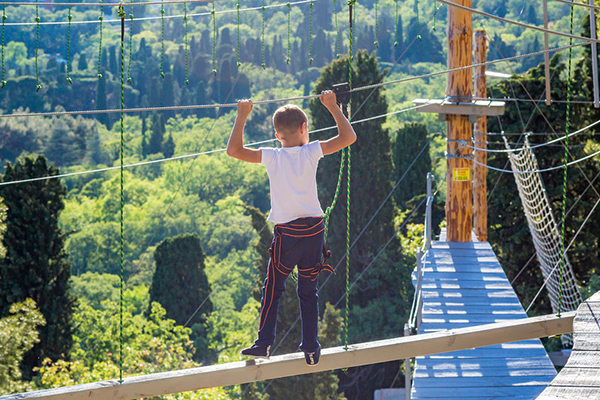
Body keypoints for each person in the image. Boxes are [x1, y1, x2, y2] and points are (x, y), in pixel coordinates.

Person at [226, 90, 356, 366]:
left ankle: (263, 343)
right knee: (308, 292)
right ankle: (311, 348)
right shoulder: (311, 151)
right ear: (304, 129)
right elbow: (348, 137)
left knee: (273, 288)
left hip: (287, 235)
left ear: (277, 136)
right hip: (314, 233)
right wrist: (333, 107)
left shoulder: (273, 156)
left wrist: (242, 116)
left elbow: (234, 151)